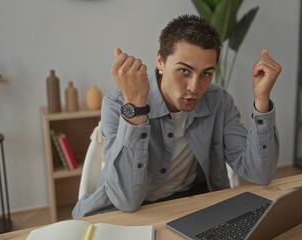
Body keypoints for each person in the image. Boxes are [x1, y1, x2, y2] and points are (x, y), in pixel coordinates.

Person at [72, 14, 281, 218]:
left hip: (190, 205)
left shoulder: (219, 102)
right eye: (184, 71)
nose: (194, 87)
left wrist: (262, 100)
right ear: (160, 62)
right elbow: (126, 201)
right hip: (130, 211)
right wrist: (136, 107)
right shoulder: (117, 104)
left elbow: (259, 174)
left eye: (206, 74)